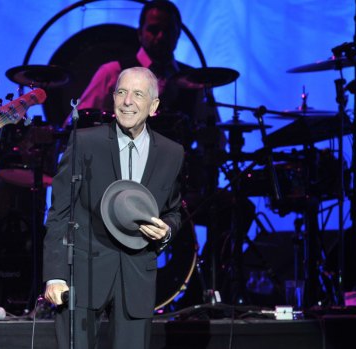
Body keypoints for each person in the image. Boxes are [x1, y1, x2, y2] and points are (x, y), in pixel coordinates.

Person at [43, 67, 184, 348]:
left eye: (138, 94)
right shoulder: (84, 142)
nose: (127, 101)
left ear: (154, 106)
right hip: (83, 276)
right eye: (121, 92)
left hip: (136, 279)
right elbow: (59, 212)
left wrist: (167, 230)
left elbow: (174, 211)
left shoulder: (172, 153)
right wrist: (55, 276)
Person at [76, 0, 222, 198]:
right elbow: (78, 126)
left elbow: (215, 135)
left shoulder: (194, 81)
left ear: (178, 34)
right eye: (153, 29)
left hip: (178, 186)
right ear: (140, 33)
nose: (161, 36)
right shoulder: (114, 72)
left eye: (168, 30)